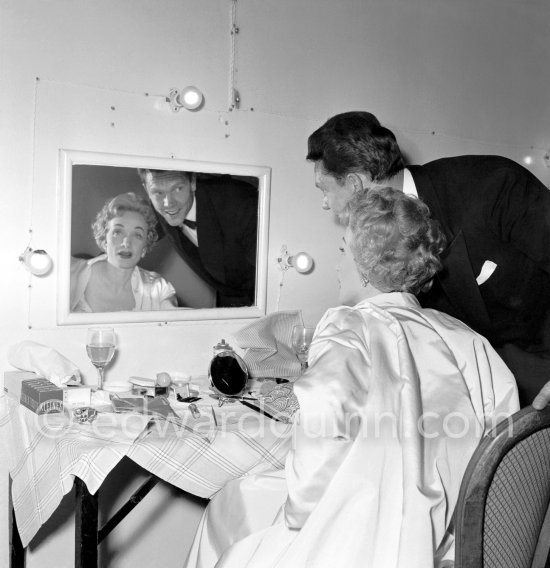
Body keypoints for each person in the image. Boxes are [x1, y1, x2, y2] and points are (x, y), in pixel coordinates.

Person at [184, 188, 519, 568]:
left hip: (362, 530)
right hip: (450, 535)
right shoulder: (466, 337)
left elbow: (321, 437)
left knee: (230, 507)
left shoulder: (348, 326)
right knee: (245, 494)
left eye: (344, 250)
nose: (339, 262)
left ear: (366, 263)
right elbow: (502, 446)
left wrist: (296, 519)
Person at [307, 110, 550, 409]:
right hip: (479, 393)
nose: (324, 204)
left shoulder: (493, 185)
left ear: (355, 184)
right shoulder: (379, 236)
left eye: (324, 190)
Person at [138, 169, 258, 308]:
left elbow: (272, 271)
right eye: (158, 192)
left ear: (193, 182)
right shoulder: (156, 208)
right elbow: (131, 235)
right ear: (146, 189)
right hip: (228, 301)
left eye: (177, 188)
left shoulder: (240, 203)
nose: (168, 203)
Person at [70, 192, 178, 312]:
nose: (126, 243)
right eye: (118, 232)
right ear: (104, 239)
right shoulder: (70, 274)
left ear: (144, 248)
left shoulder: (158, 289)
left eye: (137, 235)